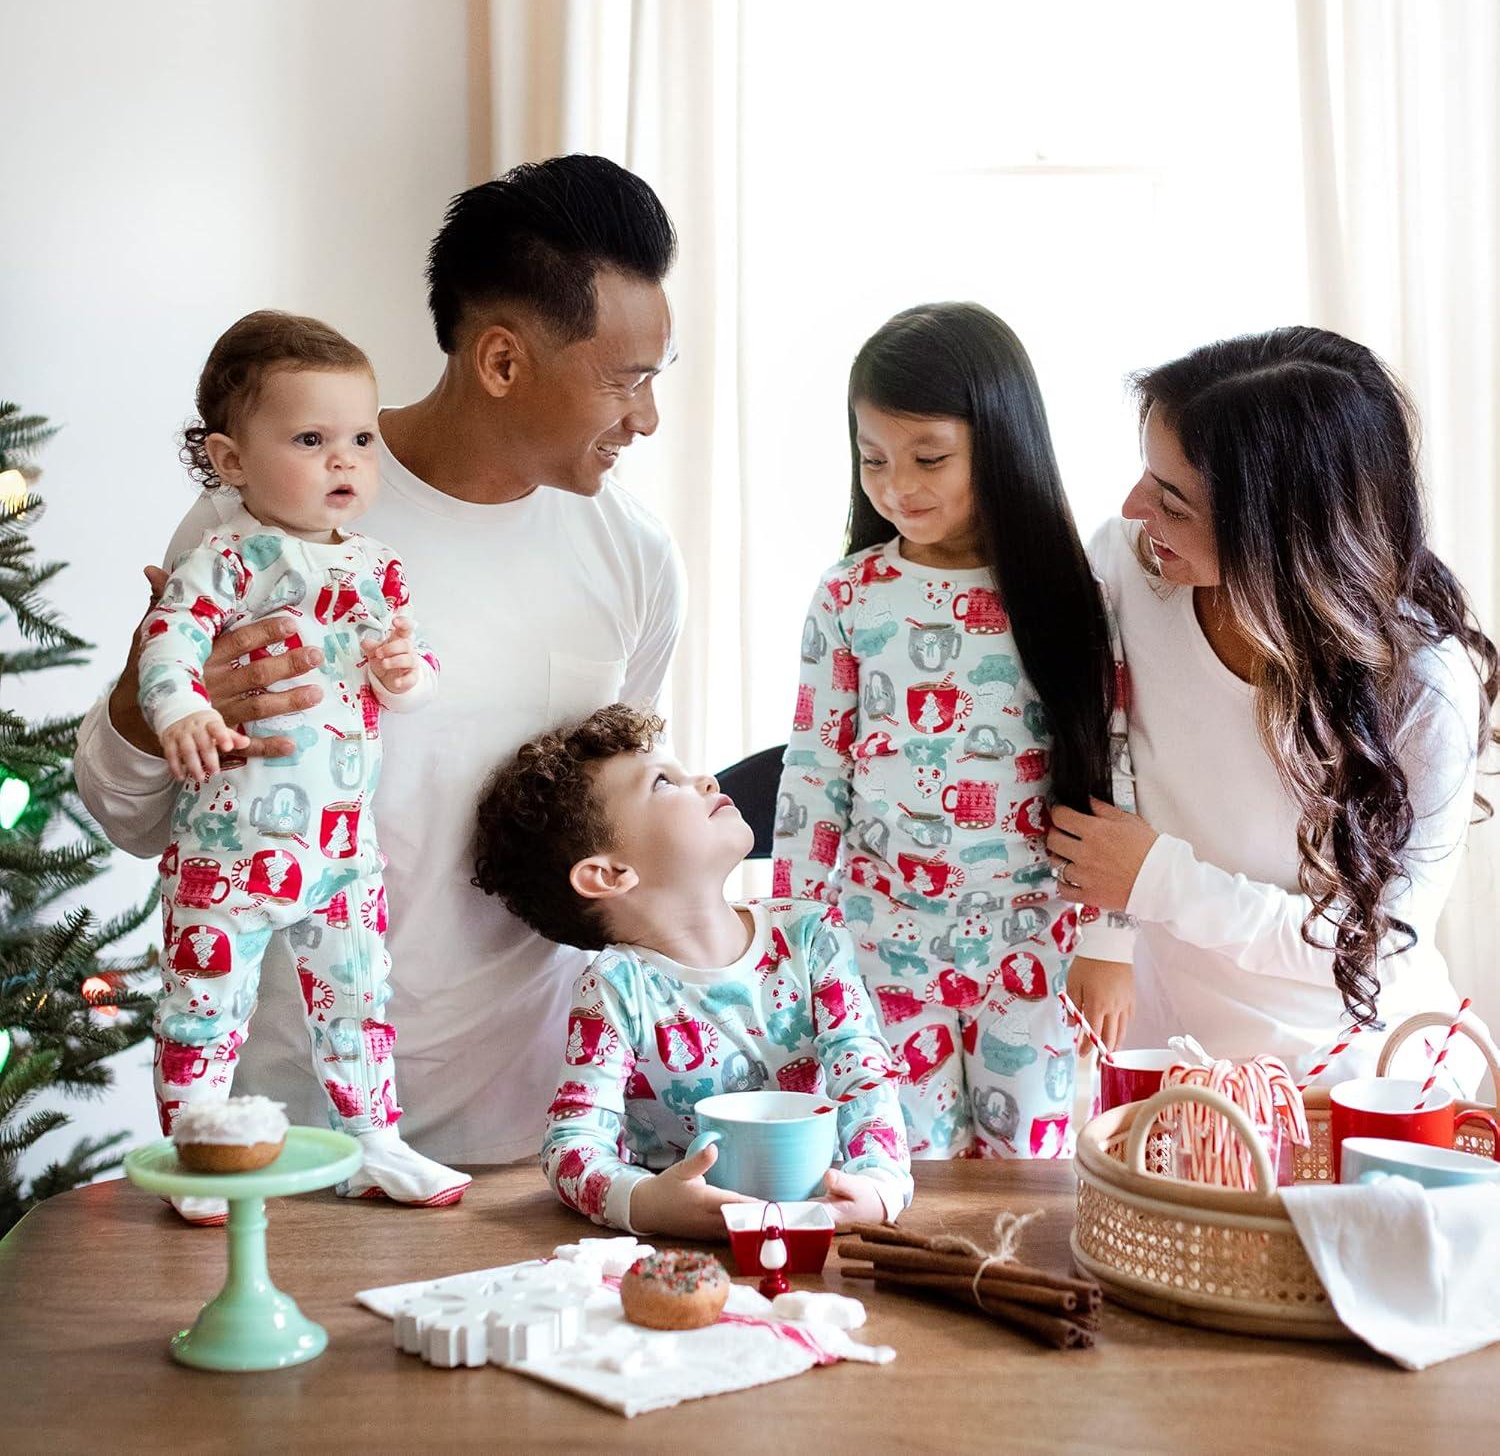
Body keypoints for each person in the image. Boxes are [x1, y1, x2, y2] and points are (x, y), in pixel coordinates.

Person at [74, 156, 687, 1163]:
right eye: (625, 382)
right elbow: (130, 818)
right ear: (500, 361)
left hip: (534, 1151)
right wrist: (153, 707)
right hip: (288, 1143)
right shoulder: (261, 517)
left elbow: (616, 840)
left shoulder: (635, 559)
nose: (646, 417)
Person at [1055, 327, 1499, 1083]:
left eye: (1172, 501)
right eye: (1145, 478)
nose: (1135, 509)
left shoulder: (1424, 685)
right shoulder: (1131, 574)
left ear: (1283, 535)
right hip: (1174, 1072)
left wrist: (1160, 880)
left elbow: (1376, 940)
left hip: (1357, 1080)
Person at [774, 303, 1136, 1161]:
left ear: (1001, 444)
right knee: (900, 1168)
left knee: (1033, 1171)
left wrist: (1108, 942)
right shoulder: (849, 595)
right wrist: (793, 934)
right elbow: (813, 770)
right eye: (874, 459)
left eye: (929, 458)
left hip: (1033, 943)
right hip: (880, 941)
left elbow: (1114, 764)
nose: (898, 485)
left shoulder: (1065, 594)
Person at [140, 310, 470, 1221]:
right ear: (233, 460)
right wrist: (181, 708)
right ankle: (200, 1145)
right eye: (312, 439)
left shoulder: (380, 568)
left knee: (361, 996)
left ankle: (375, 1142)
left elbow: (412, 669)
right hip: (229, 848)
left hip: (339, 852)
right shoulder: (223, 555)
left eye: (362, 439)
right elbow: (167, 644)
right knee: (206, 1002)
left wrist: (406, 674)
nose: (345, 461)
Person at [473, 704, 913, 1237]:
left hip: (820, 1217)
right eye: (663, 782)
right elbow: (571, 1145)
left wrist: (880, 1184)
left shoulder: (812, 936)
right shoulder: (616, 988)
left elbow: (864, 1073)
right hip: (684, 1246)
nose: (704, 779)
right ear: (609, 874)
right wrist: (647, 1203)